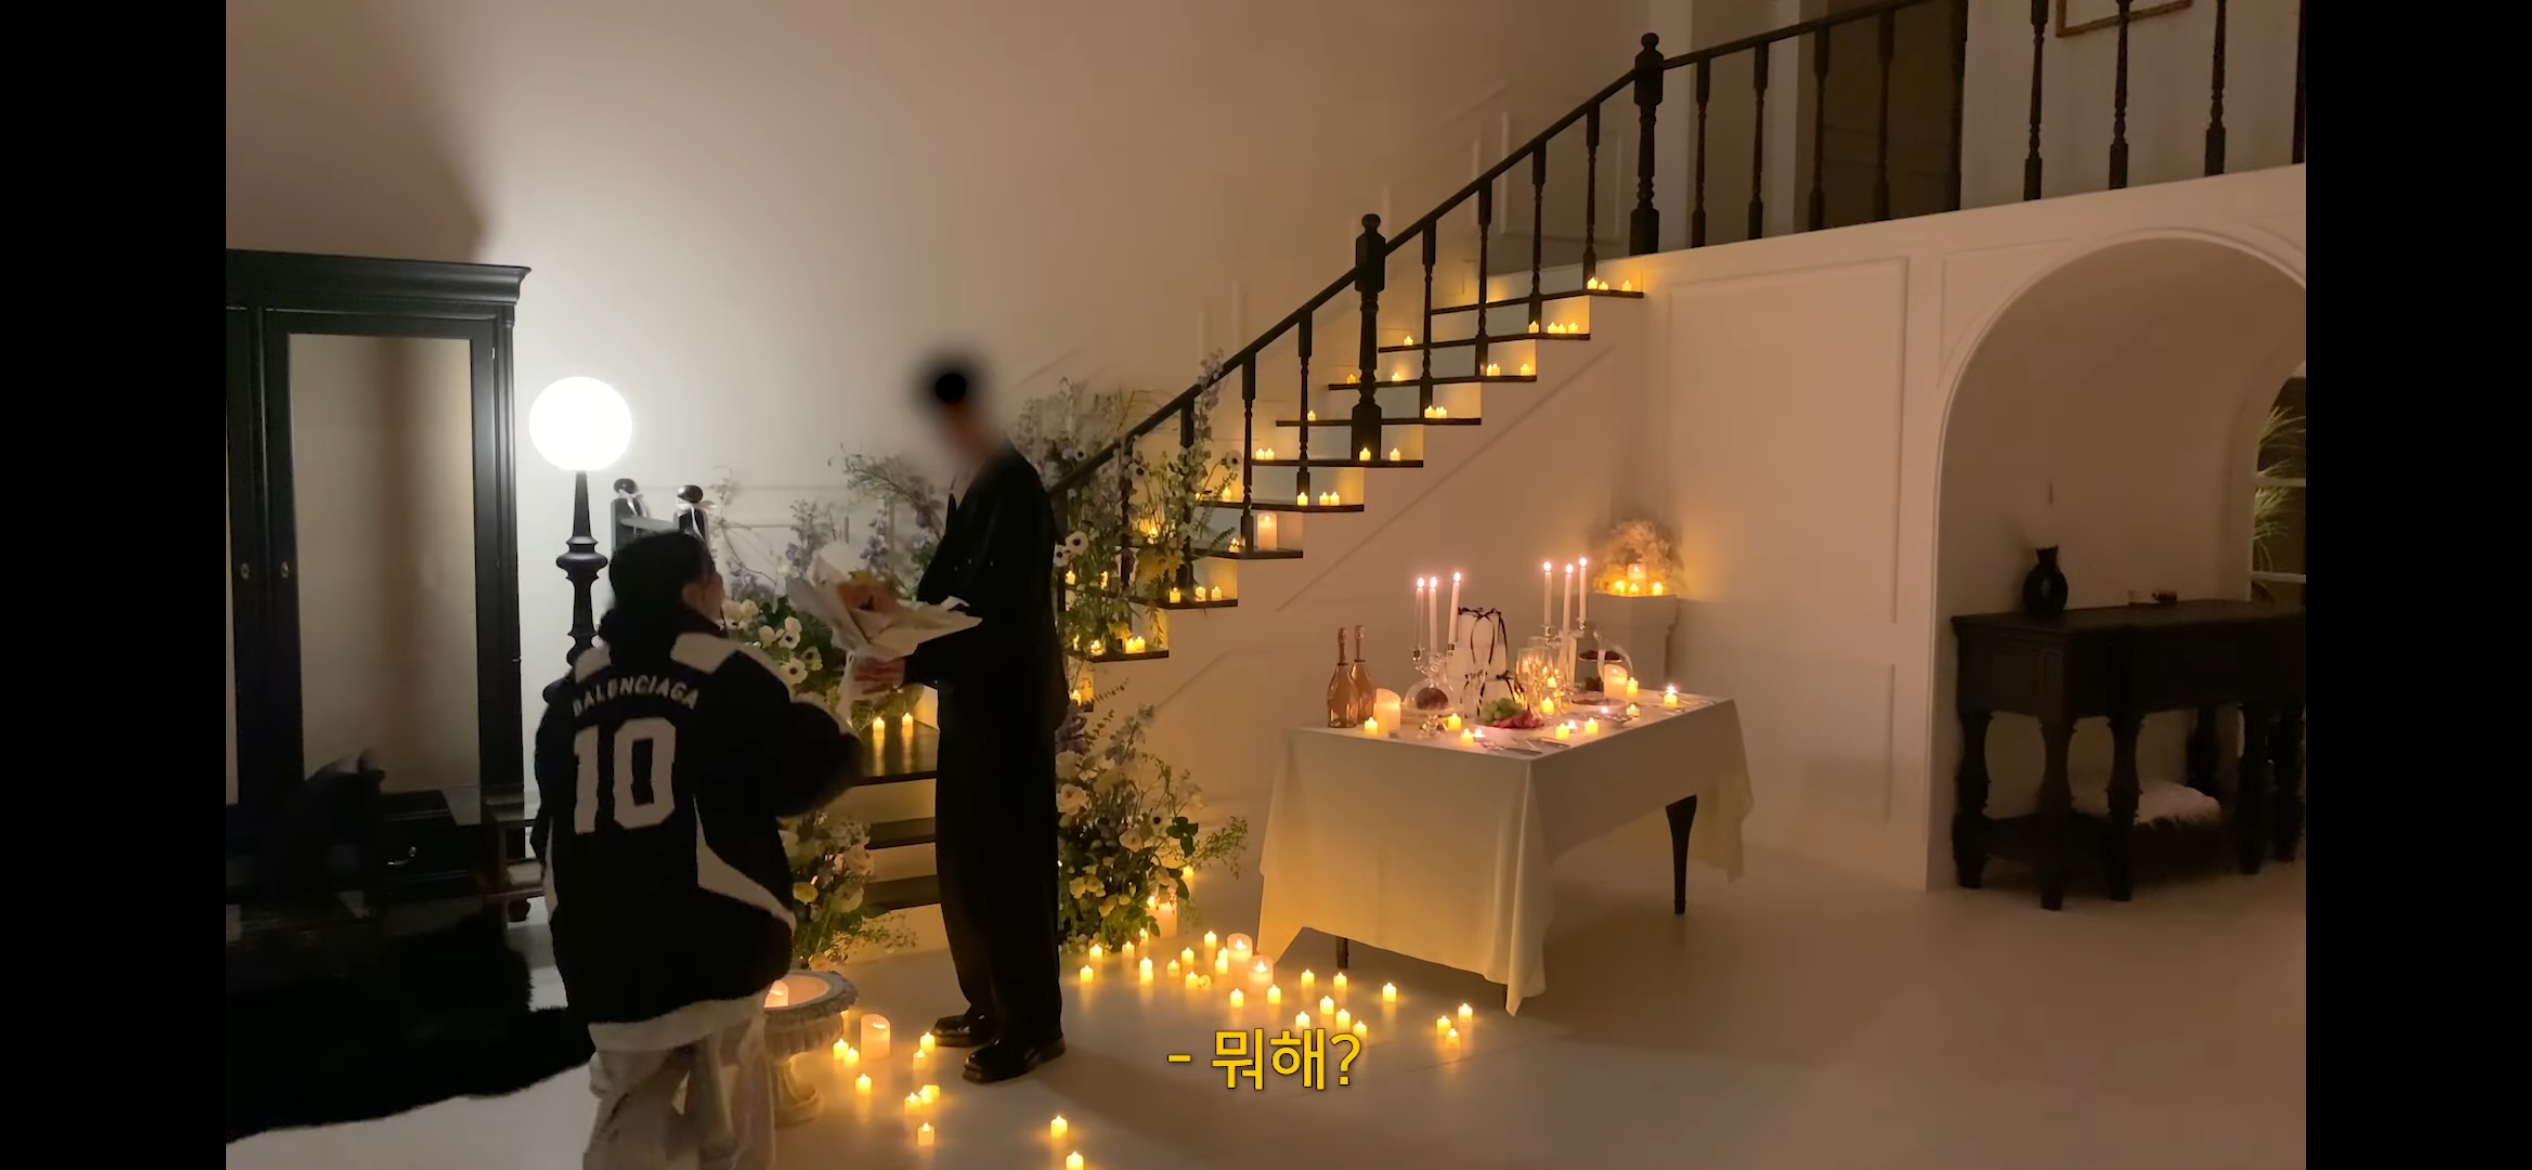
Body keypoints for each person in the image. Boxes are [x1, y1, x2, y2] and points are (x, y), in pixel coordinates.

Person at [533, 531, 879, 1169]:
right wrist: (843, 713)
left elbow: (547, 824)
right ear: (699, 590)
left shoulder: (573, 690)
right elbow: (801, 774)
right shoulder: (725, 670)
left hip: (598, 944)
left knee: (629, 1105)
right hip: (717, 930)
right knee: (729, 1113)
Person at [853, 358, 1068, 1083]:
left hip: (1009, 706)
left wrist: (911, 661)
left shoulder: (1014, 488)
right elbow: (953, 597)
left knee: (1011, 871)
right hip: (974, 702)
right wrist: (892, 620)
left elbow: (1002, 617)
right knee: (967, 864)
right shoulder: (972, 481)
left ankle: (1033, 1023)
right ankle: (989, 1002)